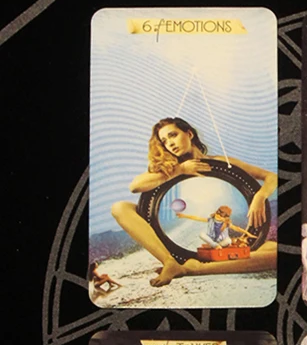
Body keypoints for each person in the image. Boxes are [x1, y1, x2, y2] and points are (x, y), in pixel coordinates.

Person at [110, 117, 277, 287]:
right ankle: (170, 262)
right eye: (164, 141)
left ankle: (192, 268)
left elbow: (271, 177)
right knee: (120, 207)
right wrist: (180, 169)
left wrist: (260, 196)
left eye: (173, 135)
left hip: (219, 246)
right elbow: (135, 186)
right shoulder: (169, 169)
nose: (170, 143)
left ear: (189, 134)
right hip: (173, 249)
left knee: (275, 252)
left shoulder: (220, 163)